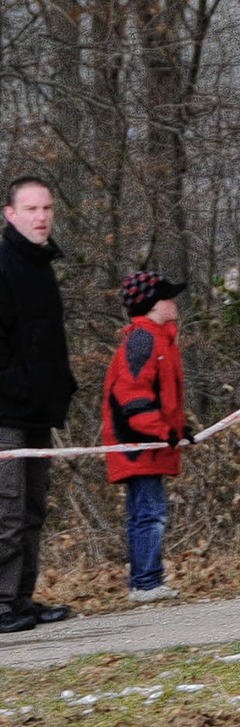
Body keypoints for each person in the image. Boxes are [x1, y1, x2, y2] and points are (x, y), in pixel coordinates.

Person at [0, 176, 77, 633]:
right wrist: (17, 386)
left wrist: (58, 389)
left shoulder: (42, 267)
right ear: (11, 214)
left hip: (38, 413)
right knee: (5, 510)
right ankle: (1, 603)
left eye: (46, 208)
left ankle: (20, 600)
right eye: (31, 209)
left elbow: (46, 344)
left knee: (31, 510)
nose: (41, 216)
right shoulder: (4, 264)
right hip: (5, 412)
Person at [102, 270, 195, 603]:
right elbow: (132, 395)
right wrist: (161, 431)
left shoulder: (161, 339)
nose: (174, 302)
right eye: (168, 297)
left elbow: (164, 397)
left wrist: (178, 429)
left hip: (151, 444)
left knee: (149, 510)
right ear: (154, 304)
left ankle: (148, 579)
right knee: (149, 512)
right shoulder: (144, 340)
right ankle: (144, 583)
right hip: (136, 445)